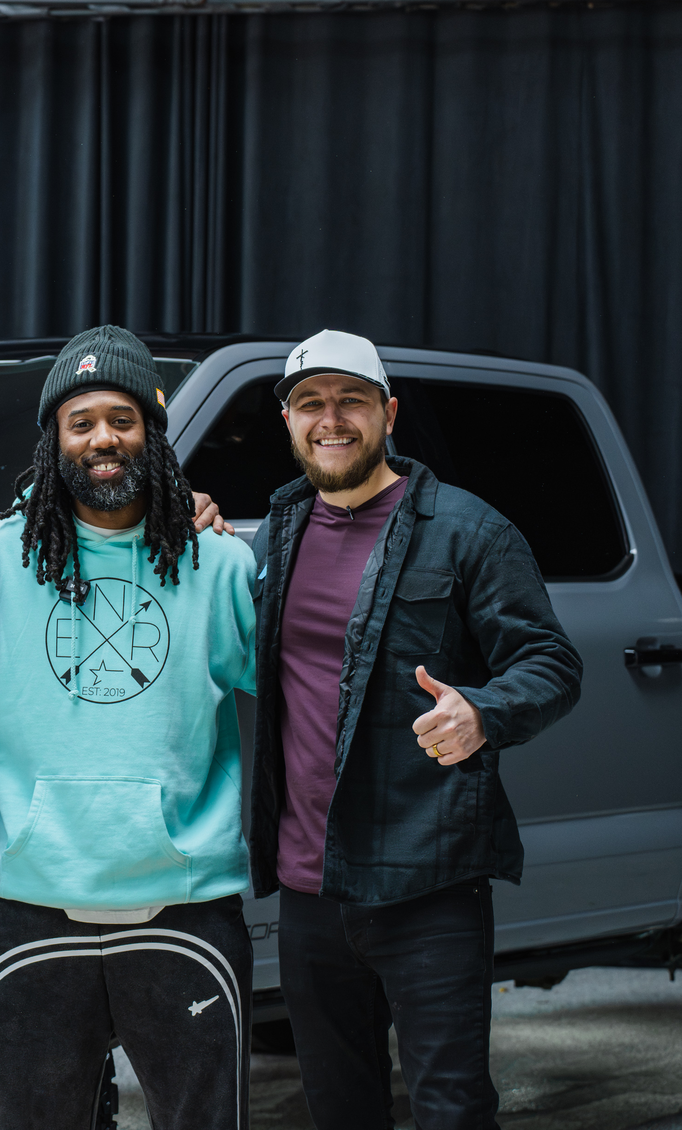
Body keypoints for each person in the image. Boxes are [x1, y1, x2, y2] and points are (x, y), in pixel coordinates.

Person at [248, 329, 583, 1130]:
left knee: (452, 1110)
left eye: (352, 401)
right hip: (309, 888)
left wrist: (483, 711)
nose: (332, 420)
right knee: (339, 1109)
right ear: (289, 422)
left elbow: (551, 662)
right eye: (310, 404)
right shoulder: (278, 532)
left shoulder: (468, 530)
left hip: (427, 882)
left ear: (389, 413)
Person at [0, 326, 257, 1130]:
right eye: (80, 422)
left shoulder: (219, 563)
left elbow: (302, 686)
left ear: (152, 431)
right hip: (32, 900)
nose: (102, 439)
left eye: (122, 419)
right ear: (53, 441)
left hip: (183, 901)